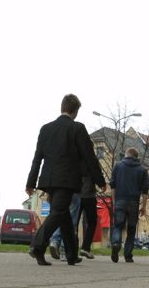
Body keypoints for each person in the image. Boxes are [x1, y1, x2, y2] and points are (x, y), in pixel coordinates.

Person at [25, 93, 106, 266]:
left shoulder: (46, 128)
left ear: (62, 107)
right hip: (67, 180)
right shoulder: (77, 128)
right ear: (75, 111)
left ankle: (71, 255)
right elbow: (89, 157)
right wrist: (100, 181)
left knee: (64, 217)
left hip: (48, 180)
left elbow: (37, 158)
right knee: (58, 213)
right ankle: (37, 246)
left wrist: (30, 183)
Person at [110, 147, 149, 263]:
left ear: (127, 154)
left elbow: (113, 185)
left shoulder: (118, 166)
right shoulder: (143, 170)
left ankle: (116, 244)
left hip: (120, 200)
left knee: (118, 226)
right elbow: (145, 190)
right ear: (136, 156)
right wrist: (144, 206)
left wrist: (114, 201)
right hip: (134, 202)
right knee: (131, 229)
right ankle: (128, 255)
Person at [49, 175, 99, 260]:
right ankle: (74, 249)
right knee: (88, 222)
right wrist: (101, 182)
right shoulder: (87, 166)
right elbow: (94, 171)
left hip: (70, 190)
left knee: (68, 220)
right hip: (86, 194)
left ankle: (56, 242)